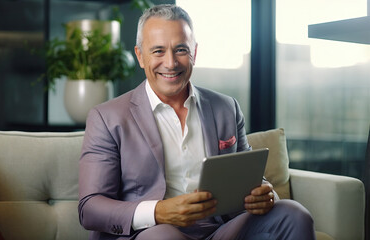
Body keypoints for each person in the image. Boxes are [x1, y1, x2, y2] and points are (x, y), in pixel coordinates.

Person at [79, 4, 315, 240]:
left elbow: (251, 178)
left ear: (195, 52)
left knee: (294, 214)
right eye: (158, 51)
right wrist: (159, 212)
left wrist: (265, 192)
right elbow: (90, 208)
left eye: (181, 50)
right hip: (150, 233)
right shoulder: (107, 117)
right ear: (140, 56)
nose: (171, 63)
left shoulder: (226, 108)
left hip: (220, 230)